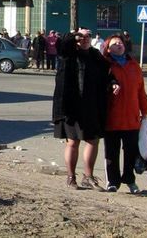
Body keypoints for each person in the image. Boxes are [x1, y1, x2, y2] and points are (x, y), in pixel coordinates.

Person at [52, 28, 116, 191]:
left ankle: (88, 177)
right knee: (73, 142)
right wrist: (74, 35)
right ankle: (71, 177)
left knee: (93, 140)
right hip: (72, 106)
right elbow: (62, 44)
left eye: (88, 37)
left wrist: (113, 82)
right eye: (81, 37)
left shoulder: (95, 55)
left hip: (92, 105)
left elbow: (107, 73)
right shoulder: (69, 53)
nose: (85, 39)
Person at [102, 34, 147, 194]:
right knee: (111, 151)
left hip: (131, 117)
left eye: (120, 43)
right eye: (114, 44)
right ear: (108, 49)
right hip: (112, 116)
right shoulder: (105, 66)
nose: (119, 46)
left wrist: (145, 111)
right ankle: (113, 181)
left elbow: (140, 91)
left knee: (131, 151)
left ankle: (130, 179)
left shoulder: (134, 65)